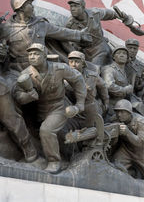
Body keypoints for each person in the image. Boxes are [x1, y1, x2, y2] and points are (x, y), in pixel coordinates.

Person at [14, 43, 86, 173]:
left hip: (58, 106)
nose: (32, 57)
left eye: (36, 54)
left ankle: (54, 161)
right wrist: (28, 96)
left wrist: (79, 104)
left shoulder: (60, 68)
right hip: (39, 110)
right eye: (30, 54)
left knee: (46, 130)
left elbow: (78, 79)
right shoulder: (26, 74)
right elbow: (18, 95)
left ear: (44, 55)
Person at [0, 0, 92, 73]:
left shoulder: (40, 24)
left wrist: (80, 34)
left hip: (41, 68)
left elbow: (61, 32)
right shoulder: (6, 29)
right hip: (17, 69)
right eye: (29, 4)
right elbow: (4, 55)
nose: (32, 7)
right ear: (21, 8)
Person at [66, 0, 143, 65]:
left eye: (76, 6)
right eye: (71, 6)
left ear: (83, 7)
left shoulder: (94, 13)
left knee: (95, 69)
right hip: (83, 51)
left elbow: (111, 14)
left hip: (99, 48)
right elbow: (68, 41)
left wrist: (124, 18)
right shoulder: (70, 24)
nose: (72, 8)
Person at [68, 51, 108, 145]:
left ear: (83, 63)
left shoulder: (92, 76)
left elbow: (103, 86)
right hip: (72, 106)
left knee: (89, 128)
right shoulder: (65, 75)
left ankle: (89, 143)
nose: (73, 64)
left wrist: (106, 100)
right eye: (71, 62)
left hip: (88, 106)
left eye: (77, 62)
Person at [101, 45, 136, 122]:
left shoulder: (125, 71)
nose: (121, 55)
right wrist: (125, 90)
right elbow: (109, 86)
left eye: (124, 53)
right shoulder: (109, 69)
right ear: (113, 57)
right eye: (118, 53)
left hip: (123, 105)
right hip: (112, 107)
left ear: (127, 58)